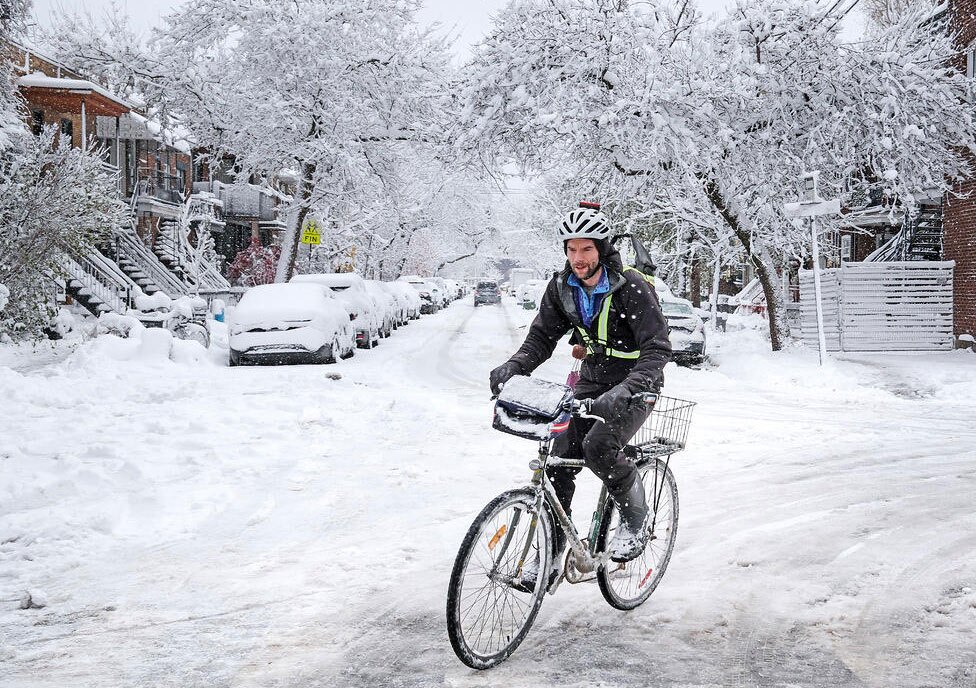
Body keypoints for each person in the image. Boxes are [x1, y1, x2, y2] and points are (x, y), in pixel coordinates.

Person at [489, 202, 671, 586]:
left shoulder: (630, 287)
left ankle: (636, 523)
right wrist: (514, 366)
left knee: (600, 447)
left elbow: (657, 349)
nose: (578, 258)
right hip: (593, 378)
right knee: (559, 459)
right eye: (572, 249)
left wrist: (628, 388)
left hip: (637, 383)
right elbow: (540, 338)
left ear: (601, 249)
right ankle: (552, 555)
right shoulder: (562, 288)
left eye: (586, 249)